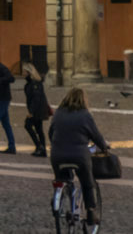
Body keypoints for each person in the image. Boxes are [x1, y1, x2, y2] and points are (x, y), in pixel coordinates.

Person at [48, 87, 113, 234]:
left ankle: (58, 198)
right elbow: (96, 136)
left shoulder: (58, 113)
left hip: (57, 155)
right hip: (79, 156)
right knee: (87, 182)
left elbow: (51, 133)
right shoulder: (85, 115)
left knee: (62, 178)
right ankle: (90, 212)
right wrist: (104, 146)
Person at [21, 62, 51, 158]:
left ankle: (40, 146)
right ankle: (41, 149)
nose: (23, 73)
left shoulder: (34, 84)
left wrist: (31, 112)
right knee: (39, 129)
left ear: (29, 72)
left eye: (24, 72)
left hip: (37, 110)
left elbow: (36, 98)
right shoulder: (31, 83)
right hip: (38, 109)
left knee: (28, 125)